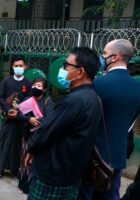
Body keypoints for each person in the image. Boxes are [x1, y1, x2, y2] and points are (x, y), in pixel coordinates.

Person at [26, 47, 102, 200]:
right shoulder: (93, 98)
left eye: (66, 65)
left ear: (80, 72)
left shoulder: (74, 100)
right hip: (71, 173)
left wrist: (31, 149)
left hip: (54, 175)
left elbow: (48, 131)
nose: (62, 69)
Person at [79, 39, 140, 200]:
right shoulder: (137, 88)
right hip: (118, 157)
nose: (101, 56)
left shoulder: (97, 83)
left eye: (104, 53)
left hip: (92, 157)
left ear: (114, 57)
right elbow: (131, 122)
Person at [8, 78, 54, 194]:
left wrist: (36, 121)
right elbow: (19, 115)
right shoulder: (28, 99)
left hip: (39, 138)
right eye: (34, 85)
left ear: (44, 90)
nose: (35, 87)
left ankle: (31, 186)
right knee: (24, 160)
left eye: (39, 86)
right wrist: (29, 119)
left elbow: (49, 120)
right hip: (27, 135)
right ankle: (23, 184)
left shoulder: (47, 102)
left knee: (34, 161)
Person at [0, 57, 32, 178]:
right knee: (5, 142)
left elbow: (29, 101)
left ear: (25, 67)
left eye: (21, 66)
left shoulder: (28, 83)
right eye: (16, 66)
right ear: (12, 67)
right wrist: (8, 109)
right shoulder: (6, 81)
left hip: (20, 119)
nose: (19, 68)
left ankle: (14, 169)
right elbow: (0, 97)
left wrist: (20, 113)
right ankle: (0, 168)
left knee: (17, 144)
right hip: (7, 118)